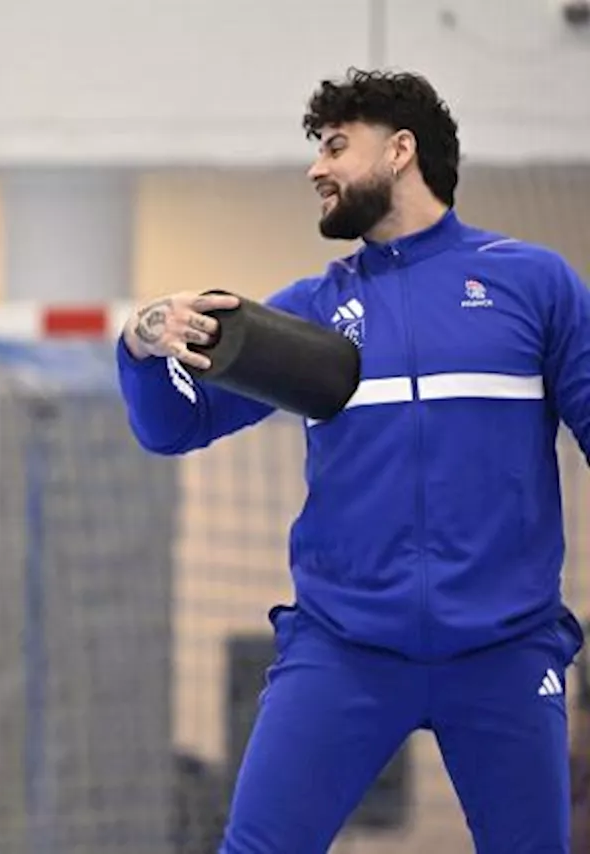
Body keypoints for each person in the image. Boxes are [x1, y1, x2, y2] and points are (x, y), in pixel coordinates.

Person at [118, 68, 588, 853]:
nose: (316, 168)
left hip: (506, 654)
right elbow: (174, 429)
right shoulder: (305, 313)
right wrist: (140, 342)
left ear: (401, 151)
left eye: (337, 145)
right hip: (344, 650)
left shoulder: (533, 284)